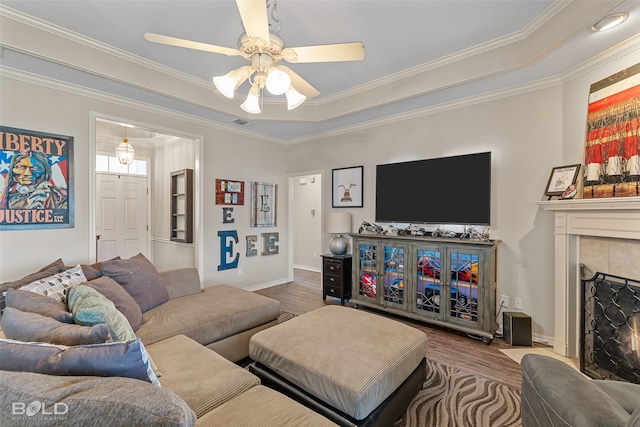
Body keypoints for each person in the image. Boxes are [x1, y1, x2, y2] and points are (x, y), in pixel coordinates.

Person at [0, 150, 67, 209]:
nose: (28, 173)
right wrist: (5, 189)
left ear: (46, 173)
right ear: (12, 172)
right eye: (22, 167)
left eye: (35, 168)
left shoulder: (59, 197)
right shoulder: (7, 198)